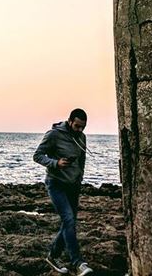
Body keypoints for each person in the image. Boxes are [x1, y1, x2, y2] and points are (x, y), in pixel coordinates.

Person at [33, 108, 93, 276]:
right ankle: (78, 262)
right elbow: (37, 156)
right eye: (77, 126)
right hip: (56, 184)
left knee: (69, 221)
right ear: (70, 121)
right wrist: (55, 163)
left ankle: (52, 256)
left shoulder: (82, 138)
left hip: (73, 186)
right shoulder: (54, 134)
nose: (80, 130)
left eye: (83, 127)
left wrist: (79, 178)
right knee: (68, 219)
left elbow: (82, 161)